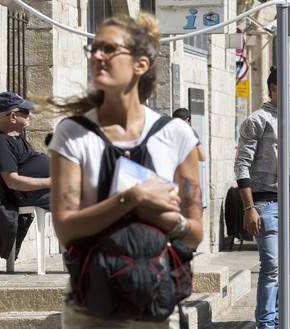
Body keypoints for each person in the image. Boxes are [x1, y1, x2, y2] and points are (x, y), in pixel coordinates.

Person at [46, 13, 202, 328]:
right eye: (94, 48)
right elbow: (65, 228)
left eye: (109, 49)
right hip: (91, 308)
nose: (97, 56)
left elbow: (196, 233)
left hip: (155, 302)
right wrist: (133, 197)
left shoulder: (176, 135)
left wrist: (164, 218)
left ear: (140, 64)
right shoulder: (72, 133)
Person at [234, 66, 290, 329]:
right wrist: (249, 207)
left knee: (286, 270)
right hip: (265, 203)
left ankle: (280, 321)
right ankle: (266, 324)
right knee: (272, 267)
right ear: (274, 87)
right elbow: (241, 165)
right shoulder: (257, 120)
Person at [0, 91, 52, 258]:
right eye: (25, 112)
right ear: (13, 117)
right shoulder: (1, 143)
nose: (30, 115)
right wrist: (51, 182)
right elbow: (12, 181)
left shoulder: (17, 137)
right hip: (31, 194)